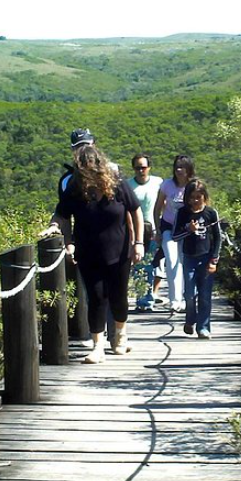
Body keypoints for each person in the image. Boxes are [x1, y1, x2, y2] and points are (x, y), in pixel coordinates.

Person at [49, 145, 144, 363]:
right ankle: (98, 346)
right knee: (97, 297)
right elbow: (62, 215)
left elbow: (135, 210)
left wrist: (138, 242)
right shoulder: (74, 188)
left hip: (119, 250)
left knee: (118, 296)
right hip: (88, 251)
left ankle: (120, 335)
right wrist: (64, 237)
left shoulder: (117, 184)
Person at [172, 178, 222, 339]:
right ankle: (190, 318)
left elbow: (218, 238)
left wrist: (214, 260)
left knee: (205, 294)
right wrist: (188, 229)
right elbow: (175, 236)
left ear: (204, 197)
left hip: (206, 257)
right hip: (189, 258)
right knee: (189, 294)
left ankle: (203, 327)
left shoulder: (210, 213)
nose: (194, 201)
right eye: (191, 197)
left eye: (198, 197)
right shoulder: (182, 213)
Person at [153, 155, 195, 312]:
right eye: (176, 166)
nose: (178, 170)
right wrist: (158, 230)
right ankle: (174, 300)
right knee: (171, 261)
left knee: (184, 262)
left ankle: (186, 298)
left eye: (182, 167)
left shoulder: (193, 185)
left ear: (188, 169)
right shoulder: (167, 185)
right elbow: (157, 207)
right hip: (169, 227)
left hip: (187, 229)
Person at [127, 154, 164, 310]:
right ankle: (142, 298)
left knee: (149, 264)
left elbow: (164, 204)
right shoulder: (128, 185)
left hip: (153, 228)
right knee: (138, 265)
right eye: (137, 167)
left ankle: (146, 299)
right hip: (135, 230)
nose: (140, 170)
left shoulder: (158, 183)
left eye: (143, 167)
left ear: (149, 167)